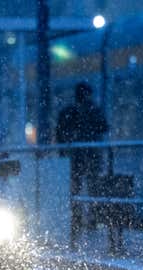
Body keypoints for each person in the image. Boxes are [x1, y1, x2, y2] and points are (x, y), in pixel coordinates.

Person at [55, 82, 108, 250]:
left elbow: (60, 134)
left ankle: (77, 223)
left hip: (75, 159)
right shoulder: (91, 110)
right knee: (91, 190)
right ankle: (90, 221)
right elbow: (104, 127)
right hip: (89, 157)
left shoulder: (69, 112)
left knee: (76, 192)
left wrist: (66, 149)